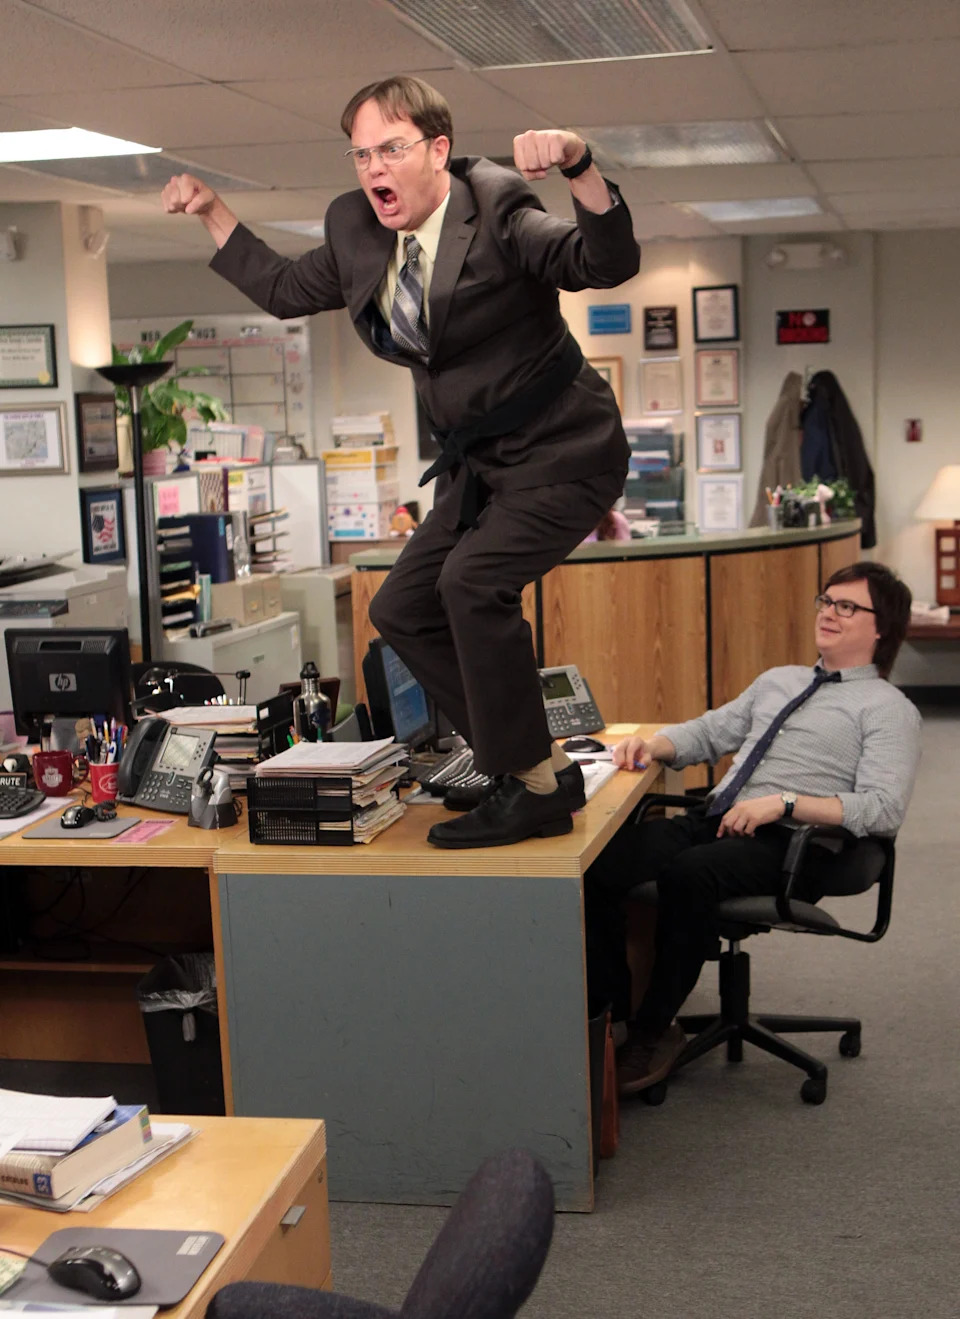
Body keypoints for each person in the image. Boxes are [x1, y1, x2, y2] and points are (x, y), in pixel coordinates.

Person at [160, 75, 640, 850]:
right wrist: (215, 212)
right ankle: (526, 760)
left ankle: (535, 785)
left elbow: (600, 262)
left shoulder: (499, 207)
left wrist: (581, 165)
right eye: (360, 153)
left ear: (438, 150)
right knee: (401, 607)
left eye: (391, 148)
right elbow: (284, 289)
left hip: (565, 453)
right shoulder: (359, 232)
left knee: (472, 582)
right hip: (480, 469)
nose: (373, 168)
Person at [584, 561, 921, 1095]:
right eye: (827, 601)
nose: (830, 613)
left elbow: (882, 809)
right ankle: (609, 1018)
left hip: (794, 847)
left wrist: (784, 802)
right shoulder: (779, 680)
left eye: (848, 606)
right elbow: (710, 731)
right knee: (597, 864)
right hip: (718, 817)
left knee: (689, 875)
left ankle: (652, 1033)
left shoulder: (888, 710)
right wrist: (652, 746)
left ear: (882, 628)